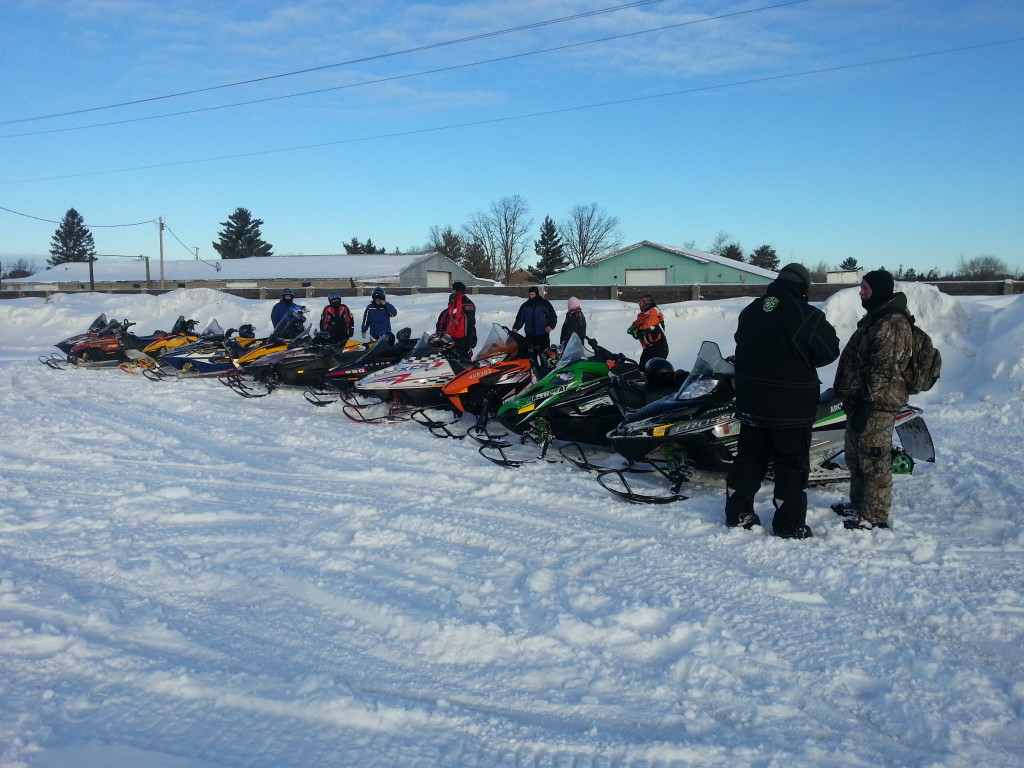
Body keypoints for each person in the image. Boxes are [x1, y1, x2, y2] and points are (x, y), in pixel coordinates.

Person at [725, 263, 840, 539]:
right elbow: (828, 352)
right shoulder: (807, 315)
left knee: (749, 458)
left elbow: (741, 341)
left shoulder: (751, 311)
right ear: (803, 287)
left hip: (751, 402)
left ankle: (737, 514)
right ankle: (789, 525)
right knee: (791, 464)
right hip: (790, 408)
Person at [833, 269, 914, 531]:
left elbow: (886, 369)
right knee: (856, 458)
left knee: (875, 460)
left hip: (876, 405)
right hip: (860, 400)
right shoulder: (876, 317)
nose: (861, 292)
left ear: (877, 290)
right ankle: (858, 505)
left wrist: (867, 404)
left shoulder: (892, 322)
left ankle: (875, 515)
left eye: (865, 288)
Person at [436, 281, 477, 359]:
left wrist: (447, 336)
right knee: (465, 357)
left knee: (455, 358)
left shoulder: (457, 301)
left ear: (456, 290)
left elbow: (453, 320)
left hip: (458, 336)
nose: (452, 291)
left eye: (453, 289)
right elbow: (472, 321)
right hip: (468, 335)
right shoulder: (470, 302)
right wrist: (473, 335)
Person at [512, 286, 558, 353]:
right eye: (530, 295)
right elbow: (520, 318)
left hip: (543, 335)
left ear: (536, 294)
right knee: (530, 355)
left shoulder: (545, 304)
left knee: (543, 354)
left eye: (533, 294)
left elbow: (553, 316)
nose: (531, 296)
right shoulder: (525, 306)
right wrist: (516, 328)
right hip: (530, 336)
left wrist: (550, 326)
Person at [628, 293, 668, 368]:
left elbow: (644, 329)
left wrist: (636, 331)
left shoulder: (653, 312)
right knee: (641, 369)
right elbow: (637, 323)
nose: (639, 304)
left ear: (647, 303)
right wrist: (633, 327)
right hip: (649, 348)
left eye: (641, 303)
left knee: (653, 370)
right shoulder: (643, 314)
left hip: (659, 348)